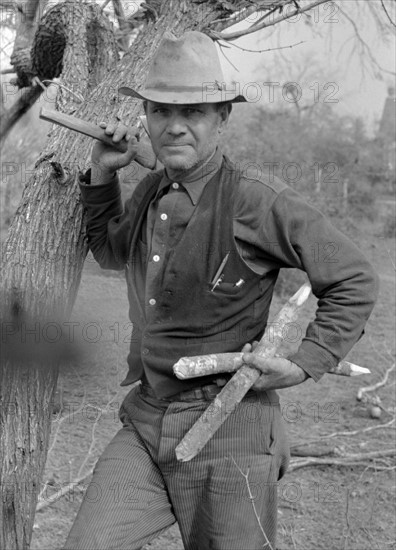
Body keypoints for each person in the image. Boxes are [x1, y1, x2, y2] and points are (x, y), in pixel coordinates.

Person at [64, 31, 378, 550]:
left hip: (229, 428)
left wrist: (304, 362)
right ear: (144, 116)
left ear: (223, 119)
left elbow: (353, 277)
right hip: (145, 419)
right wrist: (102, 171)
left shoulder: (259, 200)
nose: (175, 126)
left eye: (196, 113)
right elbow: (110, 253)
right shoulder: (151, 189)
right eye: (161, 112)